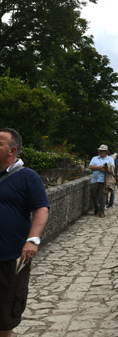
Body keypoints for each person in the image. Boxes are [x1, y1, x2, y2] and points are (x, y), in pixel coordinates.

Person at [0, 128, 50, 337]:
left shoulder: (27, 176)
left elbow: (41, 208)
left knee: (5, 314)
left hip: (10, 256)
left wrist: (32, 239)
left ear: (12, 150)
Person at [88, 144, 114, 218]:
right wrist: (99, 167)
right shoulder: (94, 158)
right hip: (95, 180)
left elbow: (112, 168)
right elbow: (90, 166)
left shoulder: (110, 159)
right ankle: (96, 207)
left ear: (106, 152)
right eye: (99, 150)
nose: (100, 152)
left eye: (102, 151)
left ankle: (101, 211)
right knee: (93, 195)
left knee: (103, 197)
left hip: (104, 180)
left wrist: (105, 168)